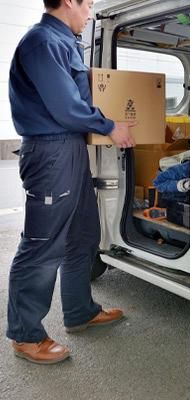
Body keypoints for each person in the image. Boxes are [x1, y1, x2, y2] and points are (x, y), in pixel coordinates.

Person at [6, 0, 136, 365]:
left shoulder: (64, 42)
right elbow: (66, 107)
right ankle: (26, 335)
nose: (90, 12)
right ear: (68, 2)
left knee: (83, 233)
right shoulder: (42, 42)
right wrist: (110, 127)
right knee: (42, 244)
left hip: (71, 148)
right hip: (50, 151)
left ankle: (80, 311)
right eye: (88, 4)